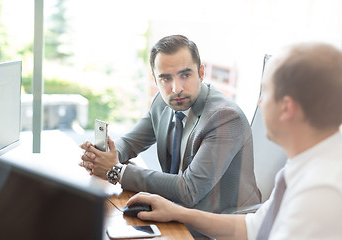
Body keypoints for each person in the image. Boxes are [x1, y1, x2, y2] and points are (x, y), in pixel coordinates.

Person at [127, 43, 342, 239]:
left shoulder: (320, 191)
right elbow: (253, 227)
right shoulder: (304, 165)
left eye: (265, 91)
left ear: (286, 107)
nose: (259, 101)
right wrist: (178, 212)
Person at [80, 35, 260, 217]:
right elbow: (129, 143)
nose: (176, 89)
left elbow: (189, 190)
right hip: (175, 210)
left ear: (201, 72)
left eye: (185, 75)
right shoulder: (163, 102)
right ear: (155, 80)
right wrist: (101, 158)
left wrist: (116, 171)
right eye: (166, 79)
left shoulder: (225, 117)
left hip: (222, 223)